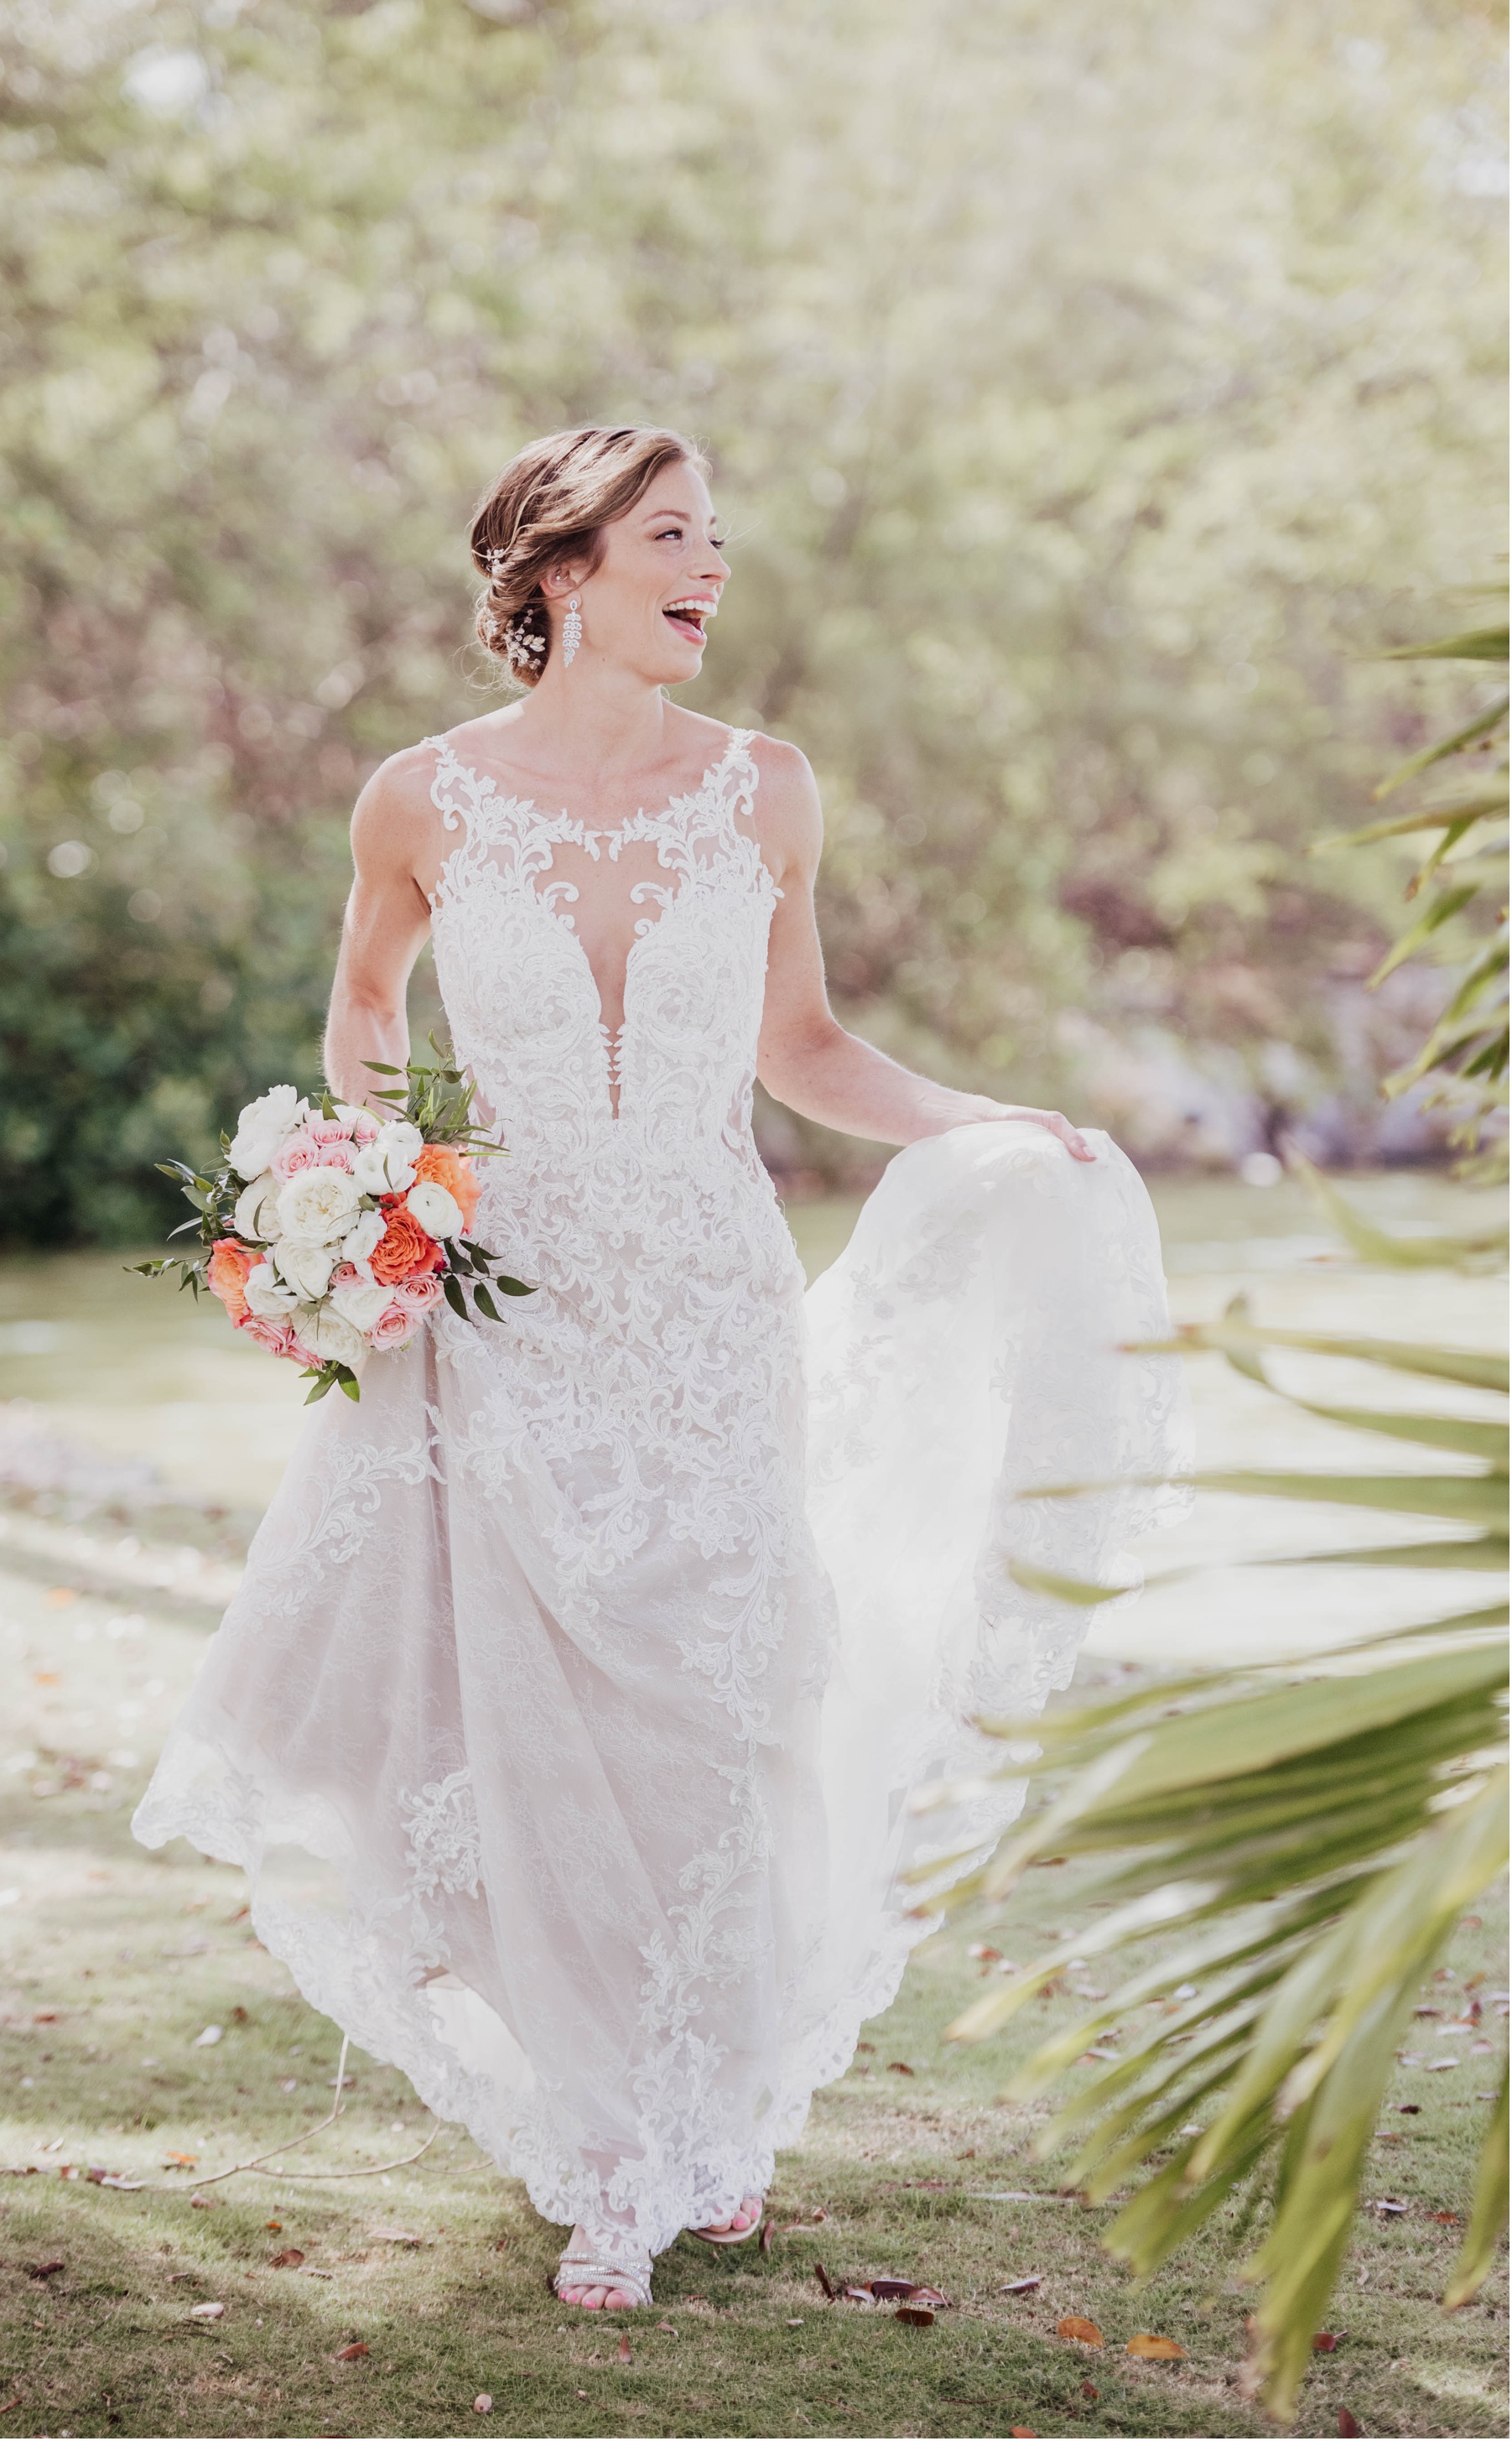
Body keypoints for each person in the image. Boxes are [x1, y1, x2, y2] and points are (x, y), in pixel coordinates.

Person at [134, 424, 1188, 2313]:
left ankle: (707, 2104)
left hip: (710, 1304)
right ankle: (611, 2138)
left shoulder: (765, 793)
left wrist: (994, 1125)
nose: (711, 570)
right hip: (512, 1298)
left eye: (718, 541)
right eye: (675, 537)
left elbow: (805, 1047)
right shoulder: (422, 800)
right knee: (546, 1709)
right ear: (560, 566)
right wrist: (375, 1182)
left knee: (722, 1701)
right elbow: (364, 1008)